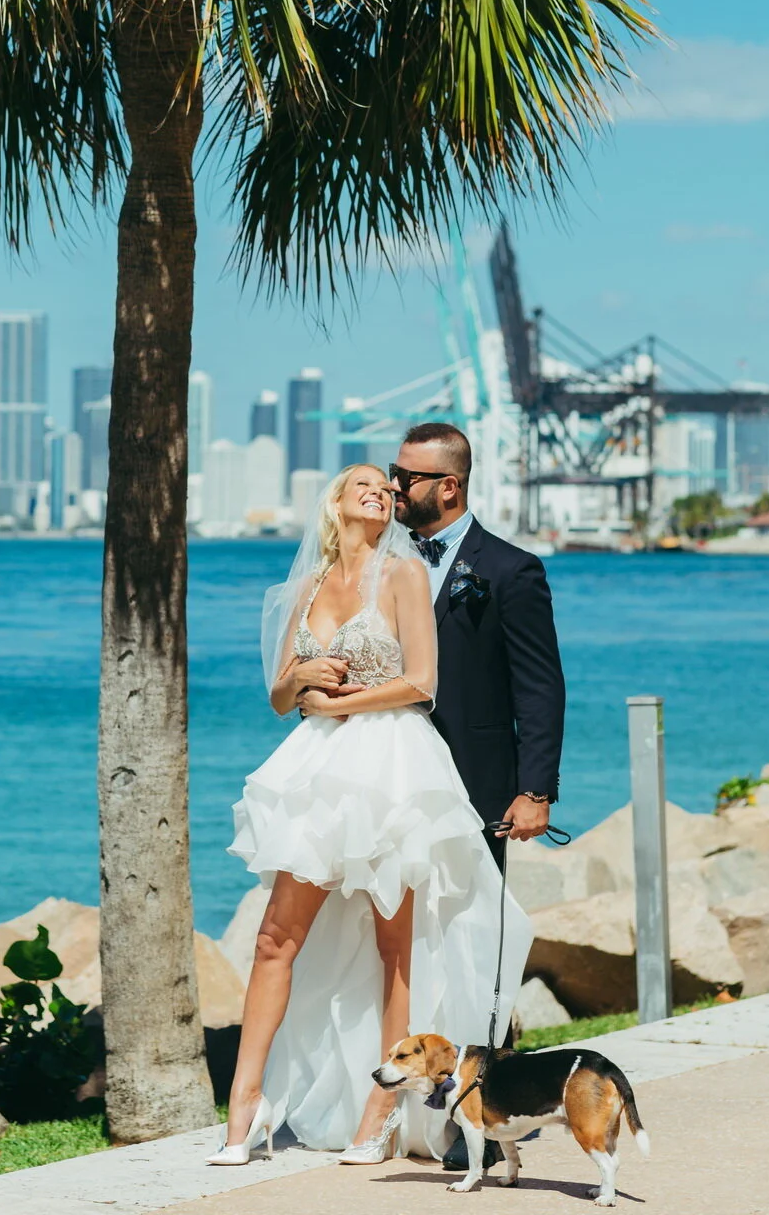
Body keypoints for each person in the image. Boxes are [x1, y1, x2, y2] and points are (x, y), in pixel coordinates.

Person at [212, 464, 530, 1166]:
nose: (378, 491)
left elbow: (420, 681)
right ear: (333, 502)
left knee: (396, 947)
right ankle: (243, 1111)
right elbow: (276, 696)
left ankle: (377, 1117)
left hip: (392, 767)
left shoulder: (403, 576)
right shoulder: (305, 588)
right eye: (362, 482)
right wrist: (302, 681)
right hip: (318, 771)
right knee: (273, 940)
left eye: (386, 488)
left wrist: (333, 704)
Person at [390, 421, 566, 865]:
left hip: (473, 781)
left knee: (469, 928)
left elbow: (538, 686)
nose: (395, 486)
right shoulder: (384, 566)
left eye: (407, 478)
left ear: (448, 487)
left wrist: (535, 791)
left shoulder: (512, 569)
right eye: (394, 471)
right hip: (388, 776)